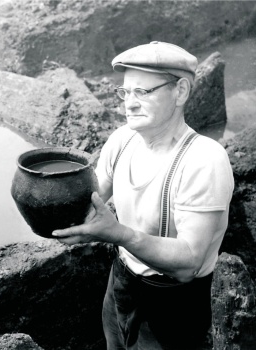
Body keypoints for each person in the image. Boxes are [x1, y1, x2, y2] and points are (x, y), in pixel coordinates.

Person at [52, 41, 234, 349]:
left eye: (143, 92)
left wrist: (118, 234)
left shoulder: (204, 160)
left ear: (181, 92)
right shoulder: (123, 140)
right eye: (125, 92)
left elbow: (188, 263)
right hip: (122, 280)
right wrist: (53, 207)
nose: (129, 104)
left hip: (173, 301)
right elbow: (89, 198)